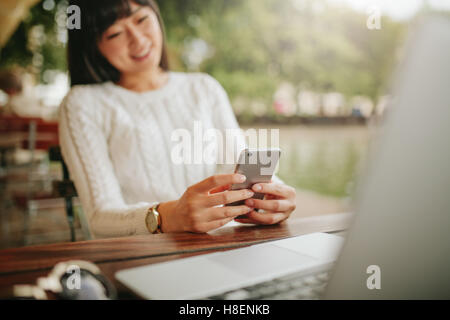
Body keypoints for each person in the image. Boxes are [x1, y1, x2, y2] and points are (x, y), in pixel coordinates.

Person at [60, 0, 296, 238]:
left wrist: (274, 194)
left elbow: (237, 164)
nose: (138, 40)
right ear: (92, 45)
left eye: (142, 20)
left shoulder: (204, 88)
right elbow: (100, 217)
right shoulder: (82, 104)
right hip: (142, 257)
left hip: (222, 243)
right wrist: (167, 216)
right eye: (115, 33)